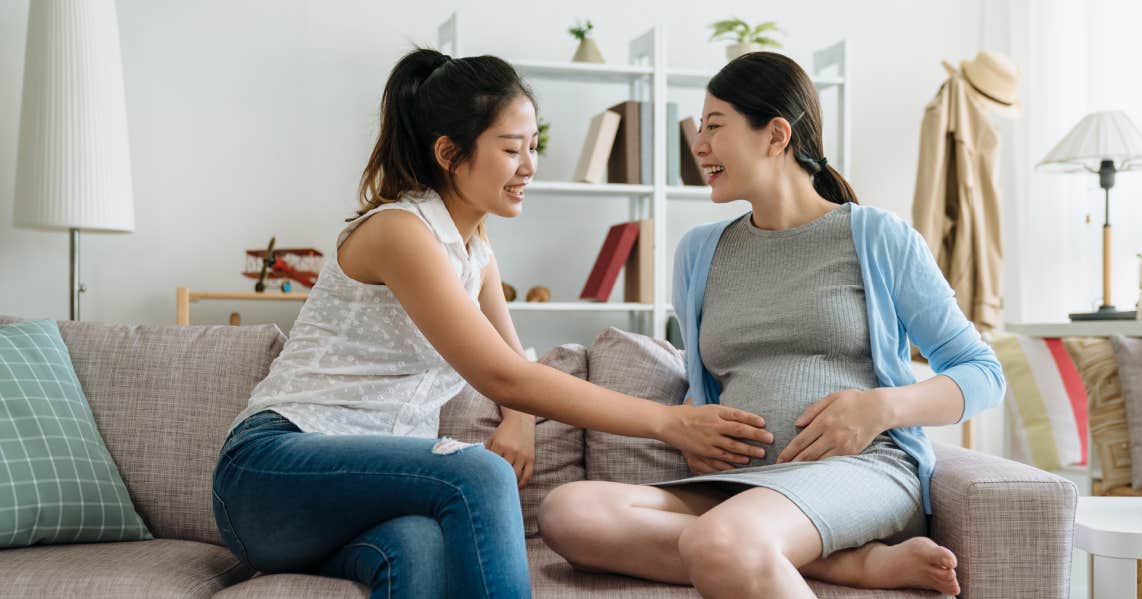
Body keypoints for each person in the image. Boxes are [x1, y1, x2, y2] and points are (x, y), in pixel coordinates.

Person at [210, 48, 773, 599]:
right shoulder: (401, 233)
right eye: (511, 149)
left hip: (349, 505)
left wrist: (521, 423)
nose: (530, 166)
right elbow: (504, 378)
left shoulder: (473, 248)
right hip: (270, 472)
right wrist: (670, 423)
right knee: (478, 473)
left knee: (418, 548)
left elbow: (513, 362)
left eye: (533, 146)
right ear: (450, 153)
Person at [537, 52, 1006, 599]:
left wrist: (881, 407)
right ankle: (843, 565)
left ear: (776, 134)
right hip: (737, 489)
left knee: (723, 541)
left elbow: (983, 372)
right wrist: (696, 430)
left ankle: (788, 546)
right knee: (568, 512)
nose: (699, 145)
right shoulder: (699, 252)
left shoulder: (876, 236)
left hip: (860, 472)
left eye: (714, 126)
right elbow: (702, 378)